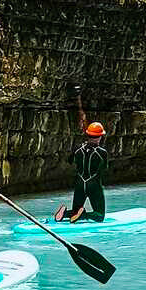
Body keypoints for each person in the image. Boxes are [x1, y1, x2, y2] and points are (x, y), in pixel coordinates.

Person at [54, 94, 110, 223]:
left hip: (79, 182)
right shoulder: (102, 152)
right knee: (99, 216)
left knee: (75, 210)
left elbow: (69, 161)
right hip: (94, 183)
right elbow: (104, 169)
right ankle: (83, 215)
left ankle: (66, 213)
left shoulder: (77, 149)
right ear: (100, 136)